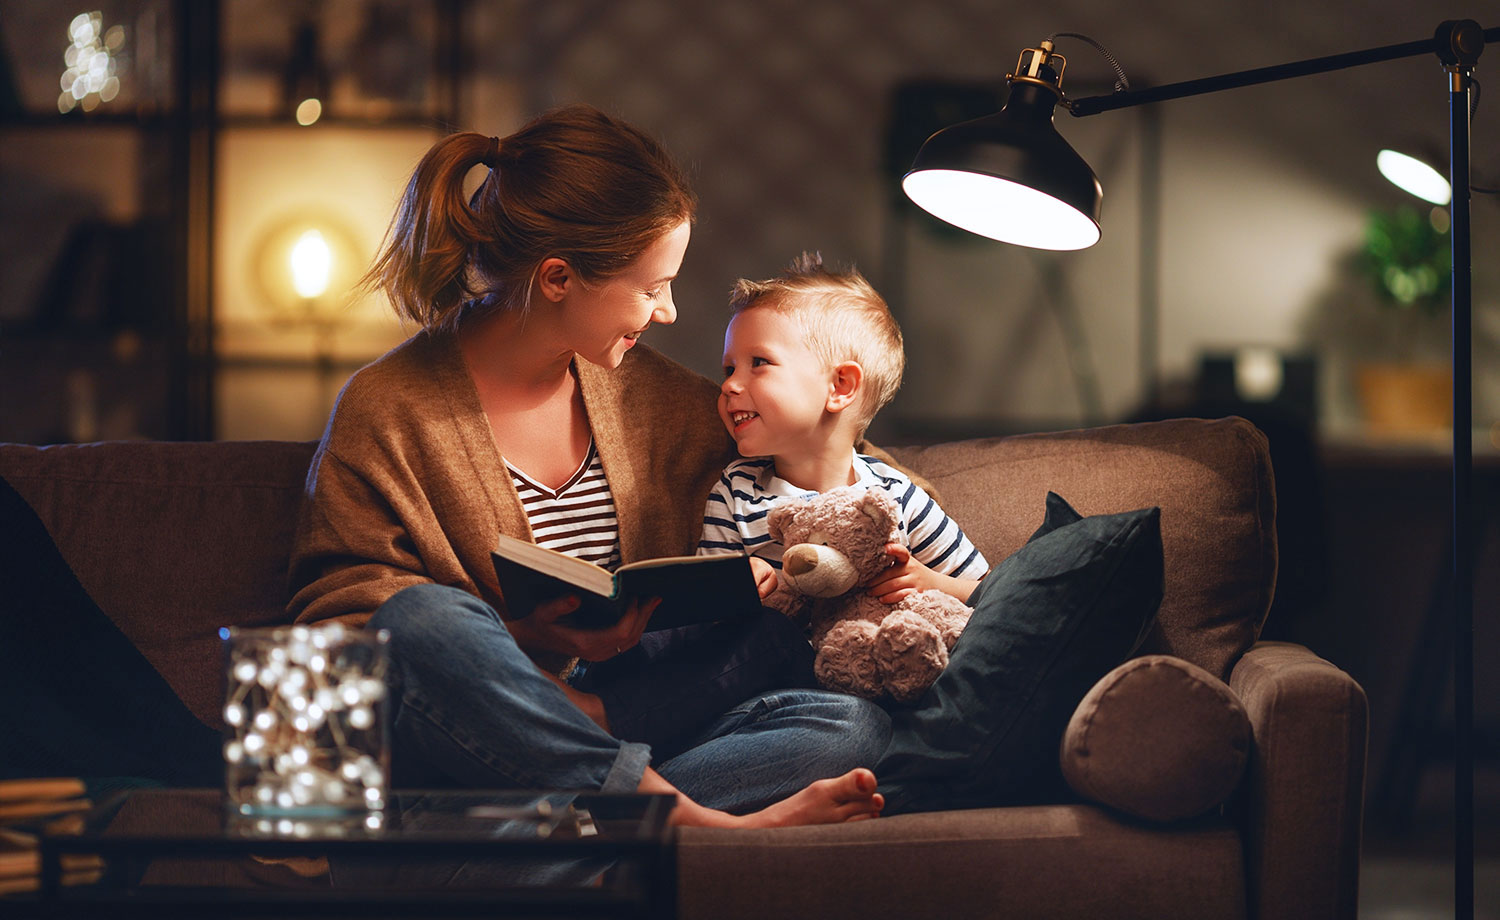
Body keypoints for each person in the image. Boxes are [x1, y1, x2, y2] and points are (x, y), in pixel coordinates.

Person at [286, 105, 889, 828]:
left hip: (636, 722)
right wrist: (525, 639)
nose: (666, 312)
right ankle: (687, 826)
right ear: (558, 278)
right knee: (418, 620)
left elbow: (832, 458)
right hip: (476, 743)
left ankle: (576, 826)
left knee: (851, 727)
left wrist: (906, 555)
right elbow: (343, 628)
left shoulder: (660, 399)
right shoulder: (389, 409)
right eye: (649, 286)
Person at [699, 253, 990, 606]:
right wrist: (740, 583)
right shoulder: (735, 493)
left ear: (840, 386)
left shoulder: (896, 497)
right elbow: (702, 610)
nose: (729, 386)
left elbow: (991, 592)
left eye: (758, 363)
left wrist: (930, 582)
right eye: (729, 369)